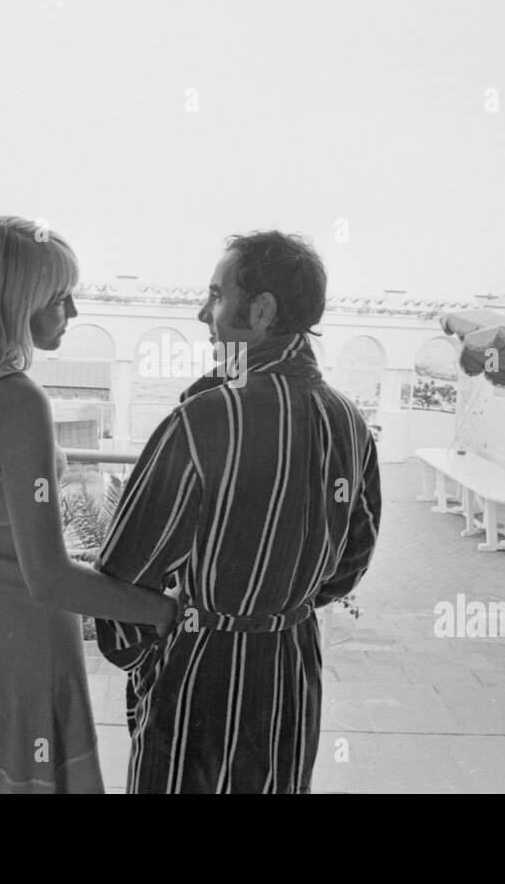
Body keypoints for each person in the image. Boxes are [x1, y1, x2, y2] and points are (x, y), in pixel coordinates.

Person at [94, 230, 382, 794]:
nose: (204, 312)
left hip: (201, 675)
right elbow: (352, 561)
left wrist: (153, 655)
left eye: (216, 296)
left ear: (262, 310)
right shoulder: (349, 420)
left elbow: (124, 574)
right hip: (292, 671)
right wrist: (279, 607)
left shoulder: (206, 419)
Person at [0, 216, 177, 794]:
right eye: (59, 297)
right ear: (15, 302)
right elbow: (48, 576)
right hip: (20, 650)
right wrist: (159, 611)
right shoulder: (15, 399)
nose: (73, 312)